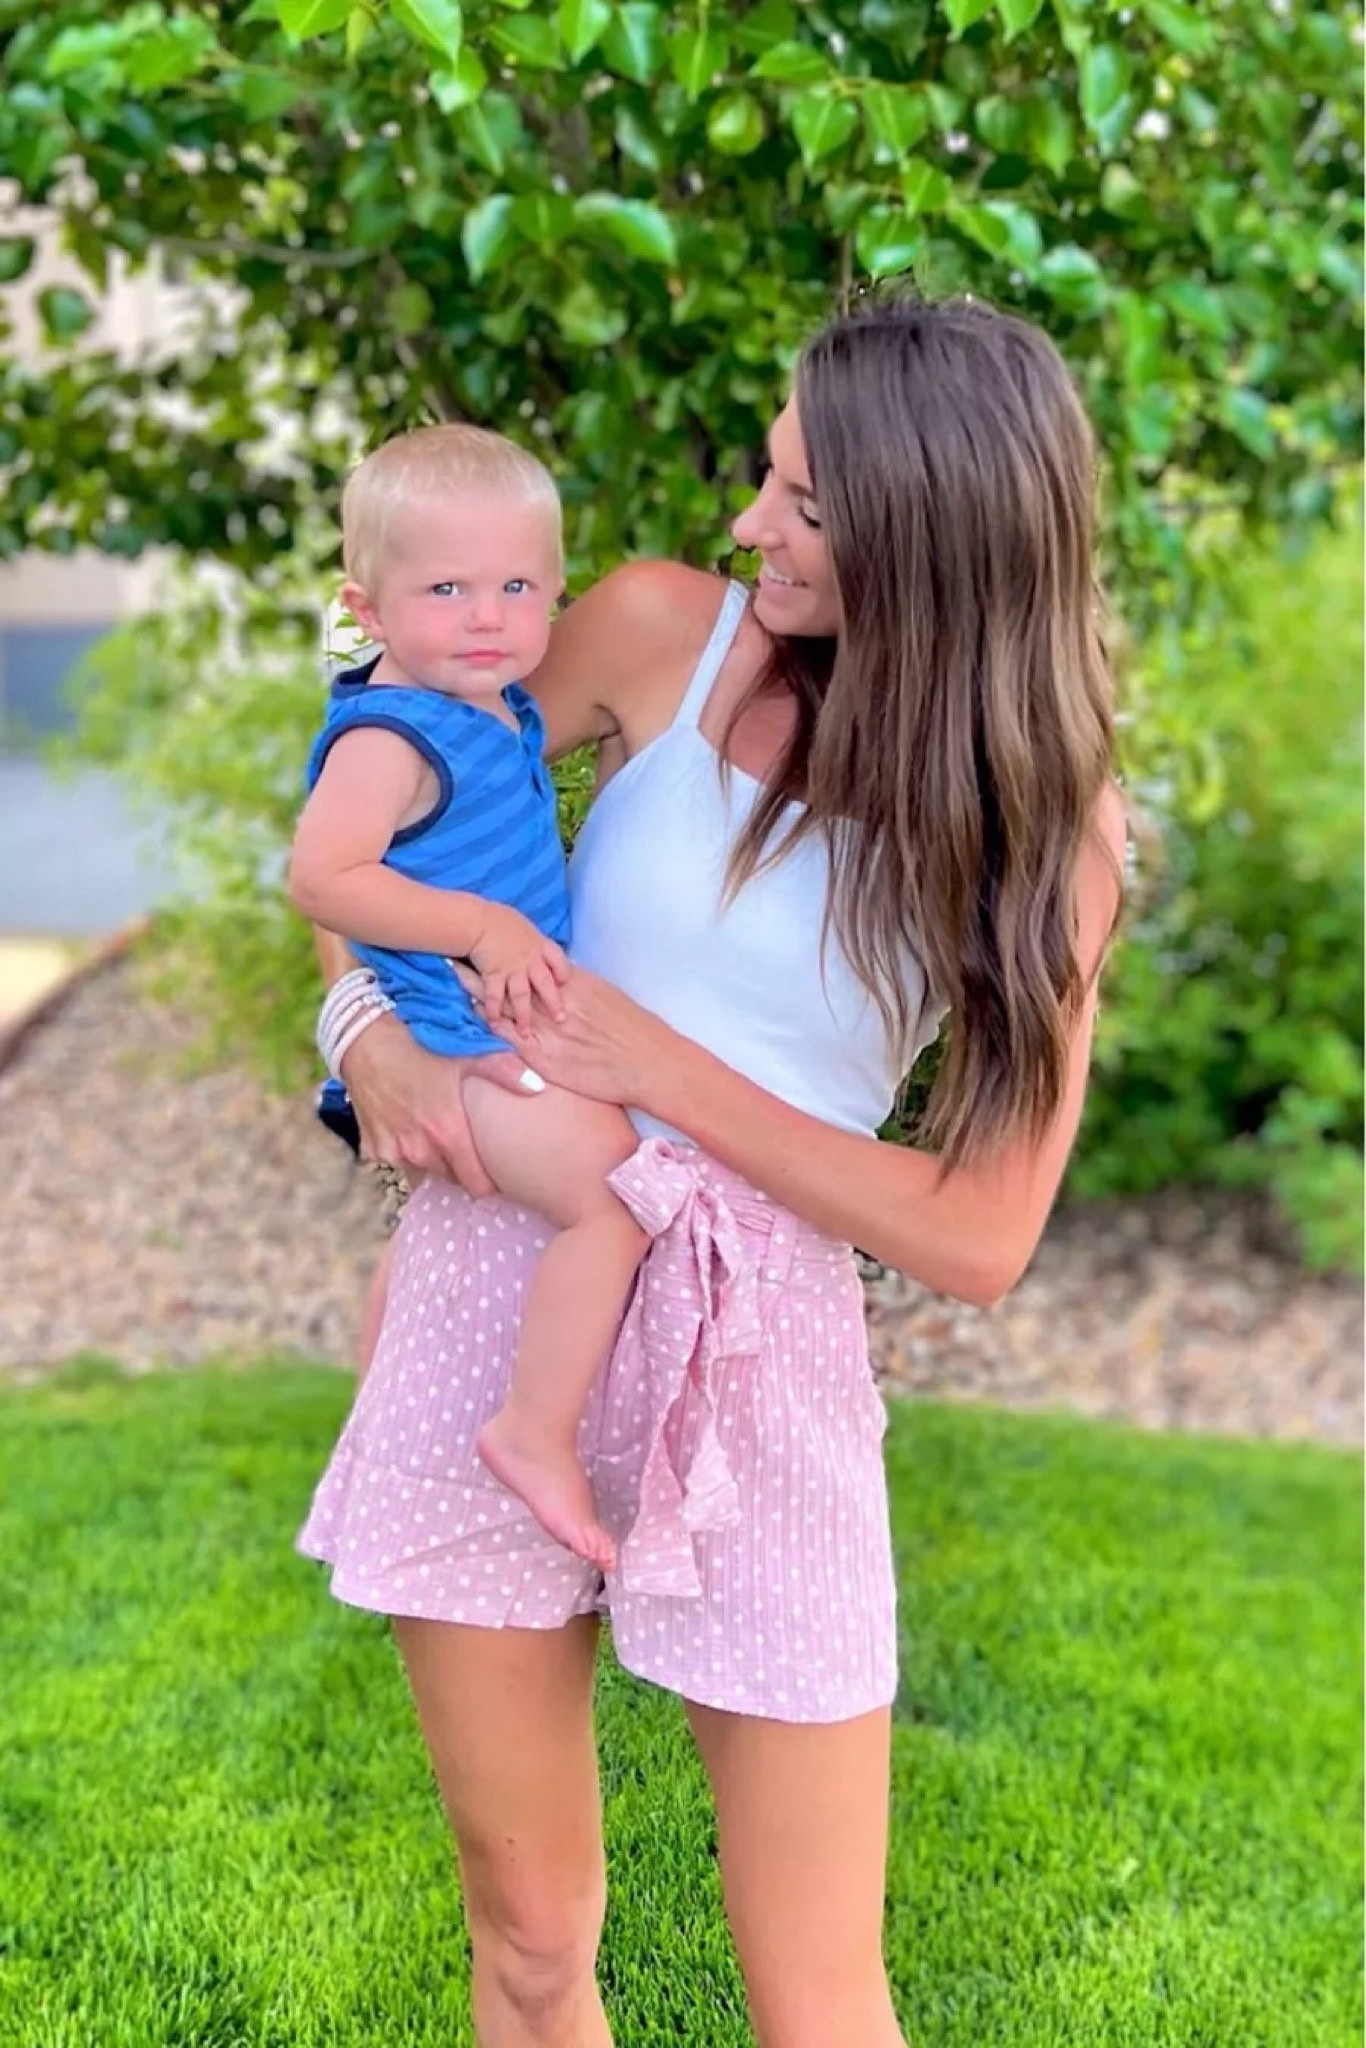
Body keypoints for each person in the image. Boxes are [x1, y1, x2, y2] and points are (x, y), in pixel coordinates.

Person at [297, 294, 1126, 2047]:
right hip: (495, 1286)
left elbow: (977, 1238)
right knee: (530, 1932)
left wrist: (662, 1072)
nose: (753, 525)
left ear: (935, 530)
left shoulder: (1049, 827)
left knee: (817, 1997)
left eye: (805, 502)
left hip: (764, 1355)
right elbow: (377, 818)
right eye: (767, 476)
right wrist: (363, 1034)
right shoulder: (663, 633)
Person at [290, 425, 649, 1571]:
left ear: (555, 590)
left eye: (515, 586)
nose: (486, 615)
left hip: (499, 1024)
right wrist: (483, 928)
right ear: (369, 606)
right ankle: (531, 1431)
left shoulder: (492, 705)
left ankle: (387, 1392)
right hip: (462, 1042)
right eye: (444, 588)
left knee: (496, 1217)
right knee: (614, 1199)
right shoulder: (393, 737)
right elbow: (321, 875)